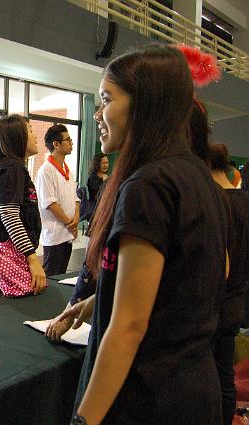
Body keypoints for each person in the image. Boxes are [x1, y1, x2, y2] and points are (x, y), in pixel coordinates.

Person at [61, 45, 228, 425]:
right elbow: (195, 277)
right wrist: (99, 301)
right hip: (192, 391)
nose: (97, 114)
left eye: (107, 100)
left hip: (148, 398)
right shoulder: (198, 177)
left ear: (145, 104)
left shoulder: (147, 185)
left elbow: (128, 328)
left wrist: (84, 420)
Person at [190, 106, 249, 425]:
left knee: (209, 379)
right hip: (236, 301)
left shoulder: (215, 203)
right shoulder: (243, 201)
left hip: (213, 305)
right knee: (225, 376)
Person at [0, 115, 47, 294]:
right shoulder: (12, 168)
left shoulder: (15, 168)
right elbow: (9, 216)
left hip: (6, 253)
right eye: (30, 130)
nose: (35, 136)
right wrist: (32, 258)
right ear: (17, 137)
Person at [35, 124, 80, 277]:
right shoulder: (46, 170)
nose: (71, 143)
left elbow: (75, 198)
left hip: (68, 233)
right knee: (51, 277)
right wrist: (70, 223)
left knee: (62, 275)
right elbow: (50, 204)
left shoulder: (67, 170)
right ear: (56, 144)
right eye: (67, 140)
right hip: (55, 235)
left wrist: (76, 219)